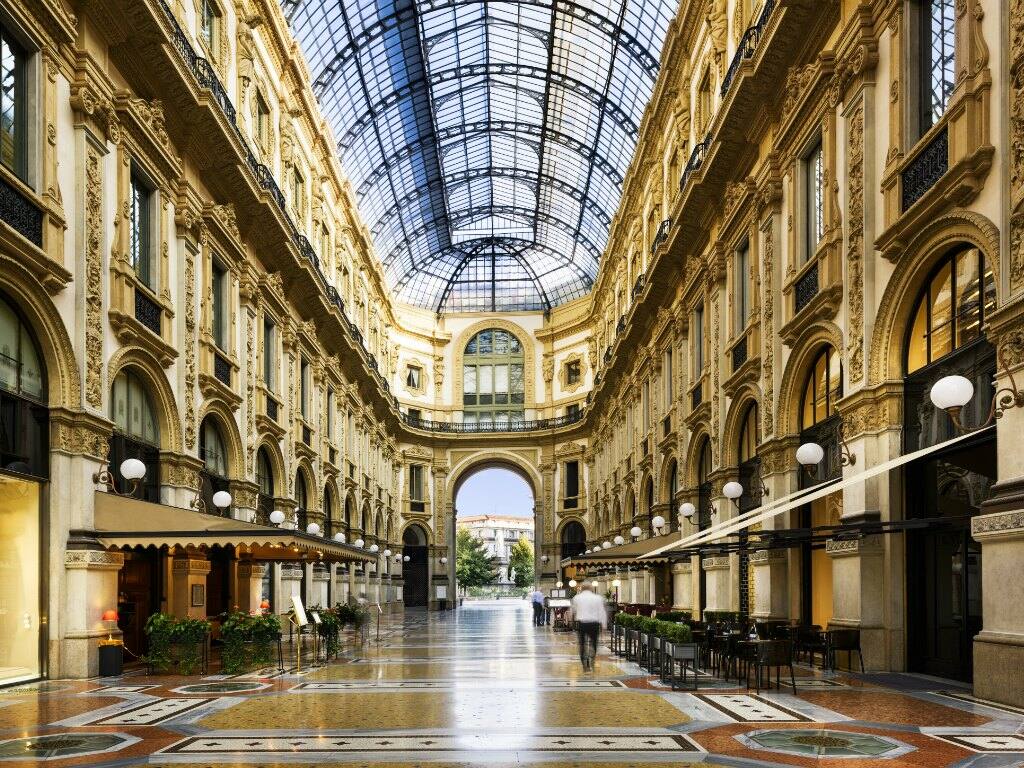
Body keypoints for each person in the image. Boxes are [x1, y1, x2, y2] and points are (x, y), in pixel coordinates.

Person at [570, 584, 607, 671]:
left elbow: (573, 611)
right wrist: (604, 626)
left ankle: (585, 664)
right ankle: (592, 657)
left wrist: (572, 622)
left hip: (582, 623)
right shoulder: (598, 598)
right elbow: (602, 612)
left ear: (582, 589)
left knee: (582, 644)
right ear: (592, 589)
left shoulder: (577, 598)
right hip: (594, 623)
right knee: (593, 642)